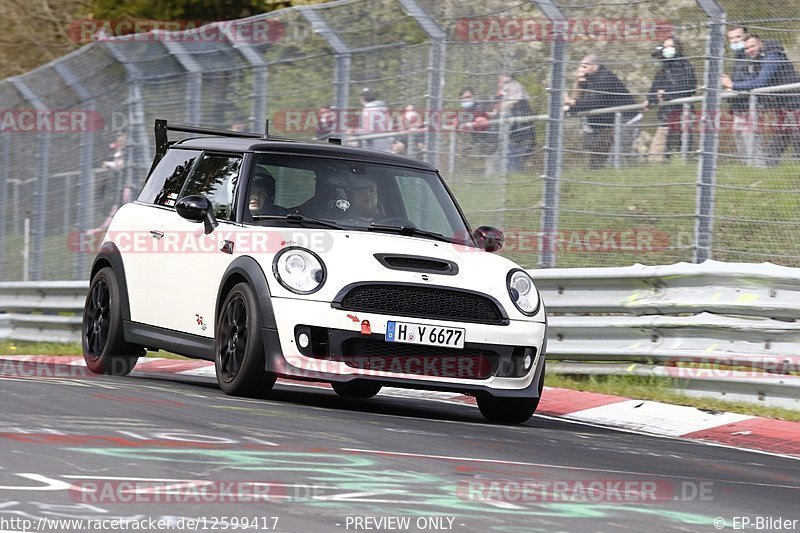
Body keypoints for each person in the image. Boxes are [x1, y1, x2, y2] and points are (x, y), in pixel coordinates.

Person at [722, 34, 800, 166]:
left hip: (794, 103)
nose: (749, 50)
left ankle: (772, 165)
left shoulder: (773, 56)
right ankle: (767, 166)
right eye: (747, 48)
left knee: (792, 135)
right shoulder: (757, 61)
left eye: (752, 46)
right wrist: (731, 85)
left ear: (760, 44)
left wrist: (733, 85)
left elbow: (761, 82)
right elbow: (751, 80)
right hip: (783, 105)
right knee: (782, 135)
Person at [564, 55, 638, 169]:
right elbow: (584, 100)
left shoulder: (605, 78)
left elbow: (594, 101)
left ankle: (619, 173)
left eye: (584, 66)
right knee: (597, 150)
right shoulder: (590, 80)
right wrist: (579, 85)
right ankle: (597, 172)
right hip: (607, 122)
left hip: (625, 118)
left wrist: (573, 103)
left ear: (594, 66)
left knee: (616, 152)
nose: (581, 69)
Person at [644, 36, 697, 162]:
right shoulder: (664, 68)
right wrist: (650, 99)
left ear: (677, 48)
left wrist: (666, 94)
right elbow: (656, 86)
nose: (667, 49)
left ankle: (684, 163)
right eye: (665, 47)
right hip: (666, 114)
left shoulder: (685, 66)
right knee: (664, 149)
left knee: (680, 146)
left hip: (680, 112)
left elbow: (688, 88)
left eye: (670, 46)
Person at [724, 26, 766, 166]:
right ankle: (748, 168)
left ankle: (760, 168)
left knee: (751, 137)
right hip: (738, 105)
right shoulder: (738, 58)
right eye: (731, 38)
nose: (735, 41)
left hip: (751, 104)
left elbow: (754, 80)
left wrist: (733, 85)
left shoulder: (751, 55)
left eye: (738, 37)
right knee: (739, 135)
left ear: (745, 37)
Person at [491, 74, 535, 172]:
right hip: (506, 139)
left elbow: (515, 102)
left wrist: (506, 105)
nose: (505, 85)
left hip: (519, 139)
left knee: (513, 168)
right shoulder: (500, 95)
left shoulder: (517, 90)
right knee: (497, 165)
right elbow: (495, 111)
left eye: (507, 82)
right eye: (502, 82)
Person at [352, 88, 392, 153]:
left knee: (339, 141)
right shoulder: (383, 107)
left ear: (362, 98)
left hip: (373, 149)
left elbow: (368, 132)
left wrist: (354, 131)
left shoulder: (368, 108)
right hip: (385, 146)